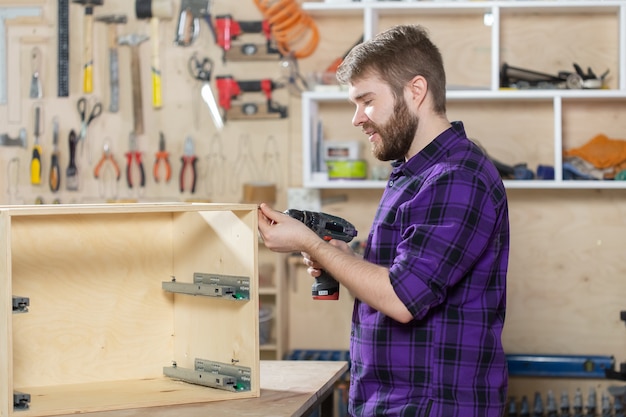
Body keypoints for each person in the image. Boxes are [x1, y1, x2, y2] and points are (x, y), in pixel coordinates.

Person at [257, 24, 509, 417]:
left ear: (416, 91)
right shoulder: (413, 172)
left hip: (431, 407)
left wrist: (311, 243)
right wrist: (342, 255)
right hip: (392, 402)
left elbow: (402, 298)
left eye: (367, 101)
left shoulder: (457, 176)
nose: (357, 118)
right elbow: (400, 272)